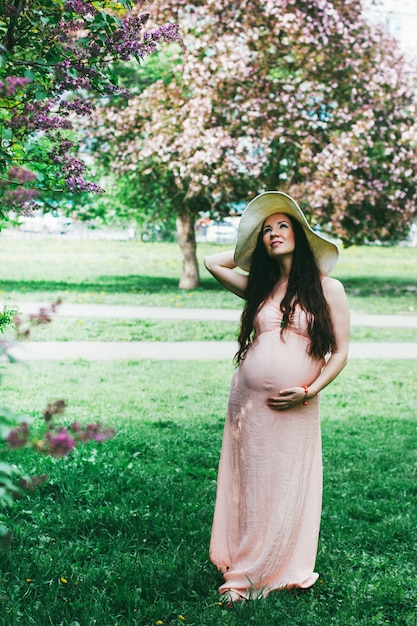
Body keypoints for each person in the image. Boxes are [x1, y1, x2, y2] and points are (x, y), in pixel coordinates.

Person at [204, 191, 350, 602]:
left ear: (303, 236)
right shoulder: (260, 288)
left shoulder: (328, 289)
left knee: (282, 484)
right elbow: (212, 263)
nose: (273, 234)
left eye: (283, 226)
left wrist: (308, 390)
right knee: (251, 482)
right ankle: (246, 561)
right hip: (247, 406)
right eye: (266, 231)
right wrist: (250, 248)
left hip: (296, 405)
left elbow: (340, 353)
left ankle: (270, 567)